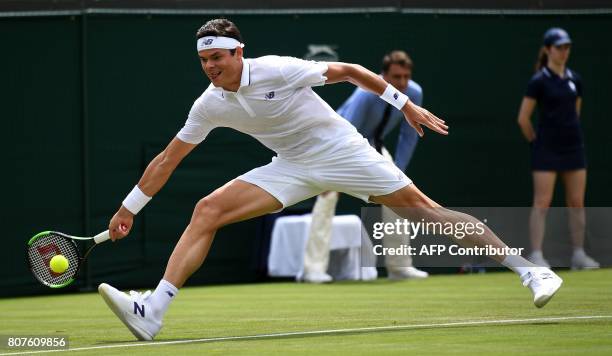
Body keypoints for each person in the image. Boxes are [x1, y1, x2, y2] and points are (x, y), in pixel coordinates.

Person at [98, 18, 562, 341]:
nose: (211, 67)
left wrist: (406, 106)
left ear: (240, 53)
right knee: (208, 210)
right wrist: (128, 208)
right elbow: (167, 158)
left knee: (424, 211)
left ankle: (530, 271)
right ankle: (153, 311)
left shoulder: (277, 67)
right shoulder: (210, 103)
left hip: (342, 149)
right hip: (291, 164)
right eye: (204, 62)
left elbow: (350, 72)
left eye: (218, 57)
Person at [301, 51, 428, 283]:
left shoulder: (414, 93)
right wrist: (333, 172)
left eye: (405, 77)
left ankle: (399, 267)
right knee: (327, 198)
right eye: (396, 77)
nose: (401, 82)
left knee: (399, 198)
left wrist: (399, 171)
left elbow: (409, 136)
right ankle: (313, 269)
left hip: (372, 146)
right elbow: (348, 127)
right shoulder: (366, 93)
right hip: (335, 143)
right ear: (384, 75)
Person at [517, 27, 599, 269]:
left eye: (567, 47)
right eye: (559, 47)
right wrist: (536, 143)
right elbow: (523, 119)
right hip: (546, 150)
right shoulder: (538, 81)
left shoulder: (575, 80)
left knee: (577, 202)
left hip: (573, 148)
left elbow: (576, 113)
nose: (564, 52)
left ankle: (578, 255)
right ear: (547, 50)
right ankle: (537, 255)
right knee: (542, 202)